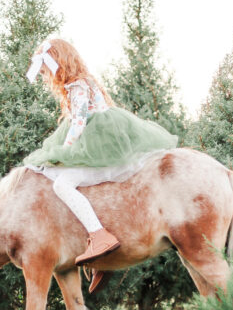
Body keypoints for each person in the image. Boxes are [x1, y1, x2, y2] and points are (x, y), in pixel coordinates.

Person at [23, 38, 178, 292]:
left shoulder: (78, 87)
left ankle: (99, 236)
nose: (47, 76)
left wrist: (67, 149)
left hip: (100, 146)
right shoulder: (83, 82)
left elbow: (79, 123)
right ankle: (99, 261)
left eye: (47, 70)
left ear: (59, 64)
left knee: (62, 185)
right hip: (100, 145)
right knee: (75, 183)